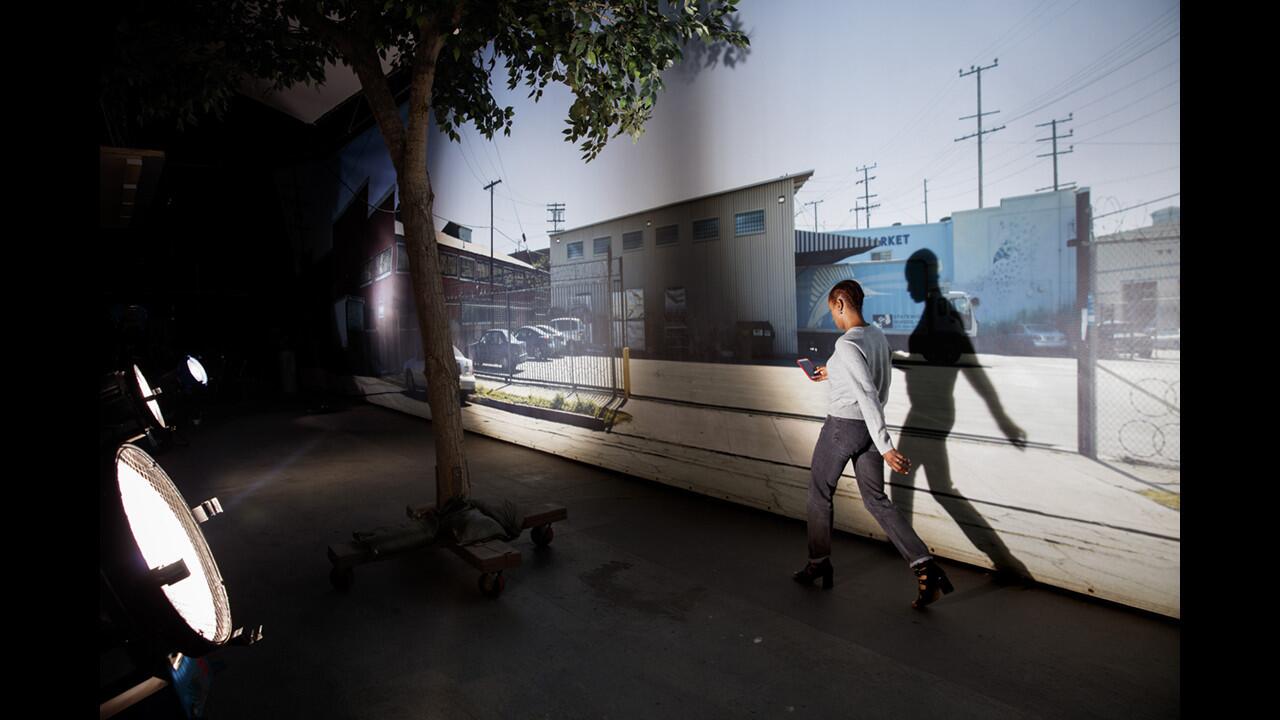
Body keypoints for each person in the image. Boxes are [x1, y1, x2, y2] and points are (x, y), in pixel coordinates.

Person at [793, 279, 955, 609]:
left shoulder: (846, 344)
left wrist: (886, 446)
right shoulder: (876, 335)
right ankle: (925, 567)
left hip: (843, 427)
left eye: (832, 313)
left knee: (819, 493)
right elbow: (867, 377)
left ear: (840, 304)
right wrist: (831, 372)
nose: (833, 320)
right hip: (866, 429)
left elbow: (865, 393)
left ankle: (819, 561)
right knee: (876, 500)